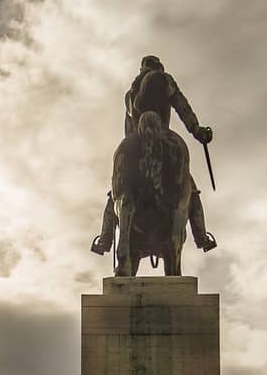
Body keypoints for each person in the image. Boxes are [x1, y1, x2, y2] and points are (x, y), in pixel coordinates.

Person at [92, 54, 217, 256]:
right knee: (190, 189)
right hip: (163, 133)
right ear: (159, 67)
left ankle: (105, 239)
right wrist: (197, 130)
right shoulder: (165, 79)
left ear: (142, 69)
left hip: (134, 140)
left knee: (116, 194)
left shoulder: (129, 95)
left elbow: (128, 130)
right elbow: (182, 106)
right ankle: (201, 236)